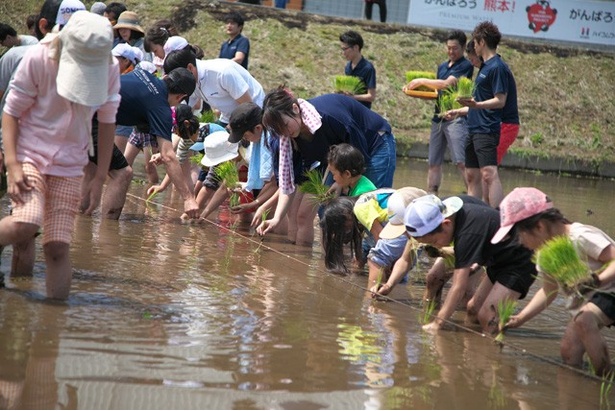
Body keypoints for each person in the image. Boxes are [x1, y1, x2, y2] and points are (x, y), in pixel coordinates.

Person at [0, 10, 120, 299]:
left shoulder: (109, 66)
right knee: (26, 221)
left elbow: (106, 121)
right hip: (30, 152)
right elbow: (11, 111)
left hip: (71, 161)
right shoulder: (39, 58)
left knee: (57, 246)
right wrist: (13, 163)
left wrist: (100, 176)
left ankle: (52, 329)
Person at [492, 187, 615, 377]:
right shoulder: (544, 255)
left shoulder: (579, 236)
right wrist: (521, 318)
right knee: (569, 349)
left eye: (520, 235)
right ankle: (574, 389)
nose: (519, 242)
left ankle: (605, 381)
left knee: (584, 319)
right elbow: (548, 291)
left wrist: (598, 279)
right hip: (591, 303)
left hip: (611, 290)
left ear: (539, 227)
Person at [255, 88, 396, 246]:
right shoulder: (288, 139)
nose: (285, 132)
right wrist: (276, 218)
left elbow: (359, 153)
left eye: (286, 125)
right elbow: (288, 184)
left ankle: (382, 254)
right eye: (280, 130)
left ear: (295, 109)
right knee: (328, 210)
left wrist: (340, 183)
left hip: (374, 145)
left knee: (370, 207)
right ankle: (339, 261)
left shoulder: (331, 116)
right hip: (339, 157)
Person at [403, 194, 536, 333]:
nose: (437, 246)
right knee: (473, 309)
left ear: (446, 223)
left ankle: (490, 350)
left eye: (435, 242)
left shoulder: (466, 234)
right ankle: (472, 347)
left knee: (488, 316)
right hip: (499, 260)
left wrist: (438, 323)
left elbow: (458, 287)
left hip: (521, 261)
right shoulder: (456, 218)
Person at [82, 67, 200, 220]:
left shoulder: (142, 73)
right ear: (180, 97)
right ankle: (108, 231)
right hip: (89, 119)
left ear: (165, 77)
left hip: (77, 106)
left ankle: (81, 219)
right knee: (123, 174)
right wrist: (188, 199)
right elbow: (168, 156)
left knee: (92, 167)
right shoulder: (160, 107)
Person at [403, 30, 473, 195]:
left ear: (463, 48)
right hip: (438, 118)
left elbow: (446, 84)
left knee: (461, 162)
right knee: (433, 162)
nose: (451, 52)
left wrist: (420, 81)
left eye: (455, 48)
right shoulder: (442, 66)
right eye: (448, 48)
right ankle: (431, 195)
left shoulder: (466, 65)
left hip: (456, 118)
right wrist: (413, 90)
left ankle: (472, 193)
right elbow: (436, 93)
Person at [453, 22, 510, 208]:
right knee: (471, 175)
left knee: (489, 173)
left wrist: (476, 104)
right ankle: (473, 212)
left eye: (475, 42)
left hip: (486, 129)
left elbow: (500, 100)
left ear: (482, 42)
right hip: (473, 127)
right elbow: (479, 103)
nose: (474, 46)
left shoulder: (498, 67)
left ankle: (497, 218)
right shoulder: (484, 68)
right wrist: (461, 110)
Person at [163, 48, 265, 127]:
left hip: (255, 114)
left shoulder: (222, 72)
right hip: (229, 117)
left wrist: (233, 129)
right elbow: (185, 108)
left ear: (190, 68)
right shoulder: (189, 80)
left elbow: (248, 105)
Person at [339, 30, 376, 109]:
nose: (343, 53)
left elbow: (371, 96)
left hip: (362, 112)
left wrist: (353, 97)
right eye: (342, 49)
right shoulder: (348, 67)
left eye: (345, 49)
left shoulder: (368, 68)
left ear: (356, 47)